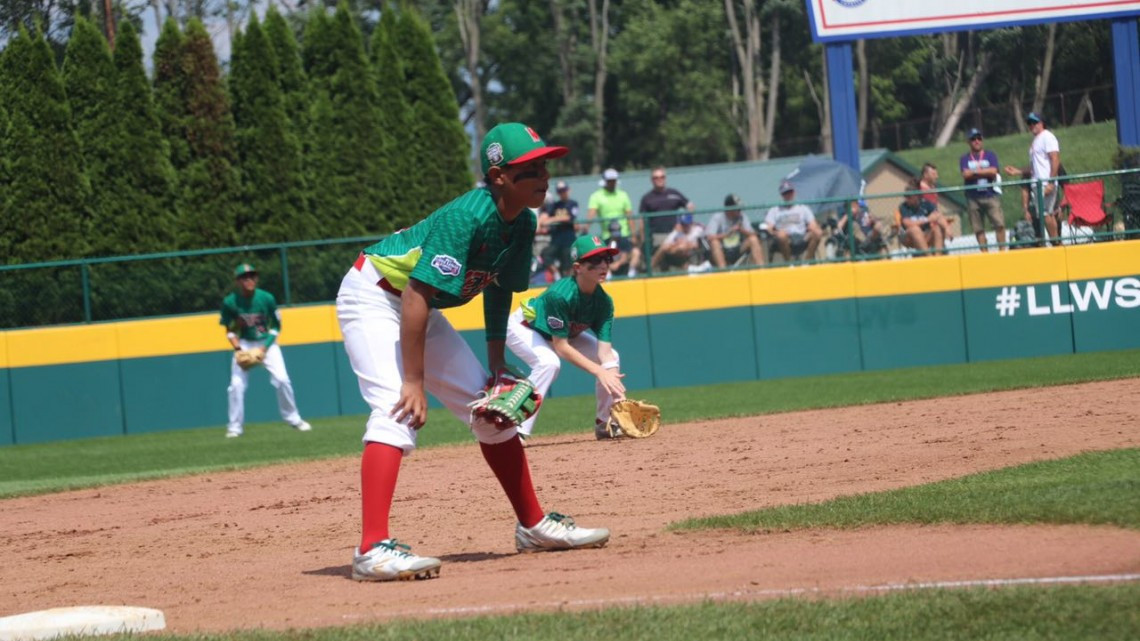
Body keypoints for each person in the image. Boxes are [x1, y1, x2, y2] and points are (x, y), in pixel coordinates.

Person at [335, 122, 609, 583]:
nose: (542, 175)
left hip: (416, 304)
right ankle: (371, 550)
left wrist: (497, 362)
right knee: (395, 406)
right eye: (530, 168)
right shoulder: (468, 216)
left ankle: (533, 525)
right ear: (499, 176)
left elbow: (499, 291)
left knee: (492, 409)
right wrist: (414, 381)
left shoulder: (523, 220)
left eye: (544, 166)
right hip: (376, 294)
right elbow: (417, 294)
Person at [506, 235, 627, 445]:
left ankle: (605, 422)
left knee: (612, 358)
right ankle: (515, 431)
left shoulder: (604, 302)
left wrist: (618, 395)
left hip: (562, 335)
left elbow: (605, 353)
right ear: (578, 267)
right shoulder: (560, 295)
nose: (603, 265)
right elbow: (561, 347)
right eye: (595, 260)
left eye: (607, 259)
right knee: (548, 363)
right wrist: (600, 371)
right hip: (523, 327)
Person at [220, 263, 311, 438]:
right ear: (238, 281)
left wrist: (264, 347)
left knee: (282, 379)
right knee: (236, 385)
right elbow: (229, 330)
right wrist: (238, 348)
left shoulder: (266, 298)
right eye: (244, 277)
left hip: (266, 343)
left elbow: (276, 326)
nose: (249, 280)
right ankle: (234, 427)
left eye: (252, 276)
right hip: (245, 343)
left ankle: (293, 419)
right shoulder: (230, 302)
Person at [1005, 111, 1062, 244]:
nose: (1031, 125)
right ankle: (1057, 242)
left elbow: (1055, 159)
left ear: (1042, 123)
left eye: (1034, 122)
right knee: (1048, 214)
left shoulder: (1047, 136)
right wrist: (1017, 171)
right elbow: (1034, 168)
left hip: (1045, 183)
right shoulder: (1036, 141)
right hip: (1037, 183)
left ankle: (1056, 244)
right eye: (1029, 123)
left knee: (1046, 214)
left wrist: (1051, 182)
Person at [587, 168, 642, 275]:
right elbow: (591, 214)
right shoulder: (596, 196)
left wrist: (633, 234)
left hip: (624, 235)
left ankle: (631, 274)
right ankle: (607, 276)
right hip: (607, 235)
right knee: (603, 257)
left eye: (614, 180)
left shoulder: (623, 195)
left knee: (634, 253)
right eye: (609, 180)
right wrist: (585, 228)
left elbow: (629, 216)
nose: (612, 183)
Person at [960, 128, 1006, 252]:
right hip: (973, 197)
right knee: (978, 228)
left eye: (979, 138)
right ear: (969, 142)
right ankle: (984, 253)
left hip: (990, 194)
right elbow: (965, 174)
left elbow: (993, 171)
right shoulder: (965, 158)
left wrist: (974, 172)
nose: (976, 141)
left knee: (999, 224)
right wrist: (984, 172)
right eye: (973, 139)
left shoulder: (990, 155)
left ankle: (1002, 251)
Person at [640, 166, 695, 260]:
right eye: (656, 178)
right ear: (651, 180)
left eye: (662, 177)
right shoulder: (647, 198)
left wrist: (684, 223)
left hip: (676, 234)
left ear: (665, 178)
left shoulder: (674, 193)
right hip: (657, 236)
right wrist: (642, 238)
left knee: (686, 247)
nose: (659, 180)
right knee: (667, 248)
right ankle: (650, 270)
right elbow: (642, 220)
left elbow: (690, 206)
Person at [763, 180, 822, 262]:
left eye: (790, 192)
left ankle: (806, 262)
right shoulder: (775, 210)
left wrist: (812, 228)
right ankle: (789, 264)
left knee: (818, 232)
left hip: (802, 237)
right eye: (785, 193)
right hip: (785, 239)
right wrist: (776, 232)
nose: (788, 195)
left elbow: (813, 225)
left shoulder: (803, 208)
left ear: (794, 192)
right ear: (782, 195)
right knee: (781, 235)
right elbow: (768, 227)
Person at [706, 193, 765, 268]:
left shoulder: (742, 216)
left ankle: (762, 269)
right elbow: (709, 237)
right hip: (723, 250)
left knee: (753, 239)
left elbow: (753, 234)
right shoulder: (717, 217)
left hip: (738, 248)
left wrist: (741, 230)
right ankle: (723, 271)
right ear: (730, 208)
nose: (740, 211)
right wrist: (727, 234)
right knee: (714, 242)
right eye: (738, 209)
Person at [537, 181, 579, 276]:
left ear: (568, 190)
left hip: (568, 239)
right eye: (560, 191)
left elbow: (569, 217)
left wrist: (552, 220)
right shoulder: (555, 205)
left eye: (564, 190)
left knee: (567, 265)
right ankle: (556, 275)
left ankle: (566, 281)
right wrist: (541, 223)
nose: (562, 193)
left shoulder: (573, 203)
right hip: (556, 239)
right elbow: (545, 216)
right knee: (545, 254)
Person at [895, 178, 944, 254]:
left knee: (937, 229)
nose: (907, 199)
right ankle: (929, 258)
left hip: (925, 234)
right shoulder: (904, 206)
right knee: (915, 229)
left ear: (916, 196)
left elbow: (938, 215)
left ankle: (937, 258)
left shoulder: (926, 203)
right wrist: (927, 219)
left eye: (909, 197)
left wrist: (947, 228)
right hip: (909, 238)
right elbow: (908, 224)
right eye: (906, 197)